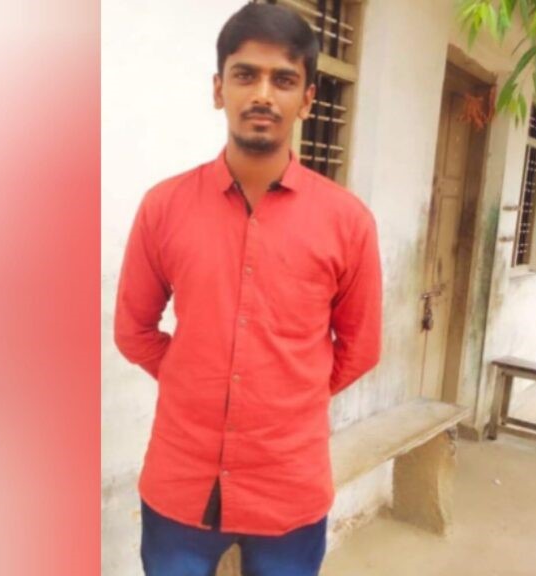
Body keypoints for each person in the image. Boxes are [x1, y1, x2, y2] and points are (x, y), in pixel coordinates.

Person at [114, 4, 382, 575]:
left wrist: (286, 394)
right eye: (245, 75)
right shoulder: (164, 207)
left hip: (289, 486)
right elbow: (133, 330)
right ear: (219, 89)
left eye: (283, 79)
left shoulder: (347, 222)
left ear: (307, 99)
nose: (263, 94)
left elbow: (360, 348)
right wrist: (192, 377)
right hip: (180, 482)